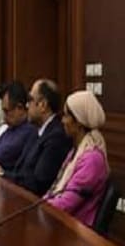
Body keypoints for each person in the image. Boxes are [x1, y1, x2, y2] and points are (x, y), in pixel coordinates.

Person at [0, 79, 72, 196]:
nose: (27, 105)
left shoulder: (56, 137)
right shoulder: (37, 131)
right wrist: (2, 173)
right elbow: (20, 170)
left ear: (43, 105)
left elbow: (37, 183)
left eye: (30, 99)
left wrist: (2, 174)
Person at [47, 90, 109, 227]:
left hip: (75, 231)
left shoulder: (92, 160)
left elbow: (65, 204)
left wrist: (40, 208)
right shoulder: (76, 151)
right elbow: (56, 190)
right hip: (62, 222)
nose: (62, 121)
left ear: (79, 122)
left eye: (66, 116)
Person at [0, 81, 36, 172]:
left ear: (19, 108)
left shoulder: (28, 131)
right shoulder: (10, 129)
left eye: (7, 111)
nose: (4, 117)